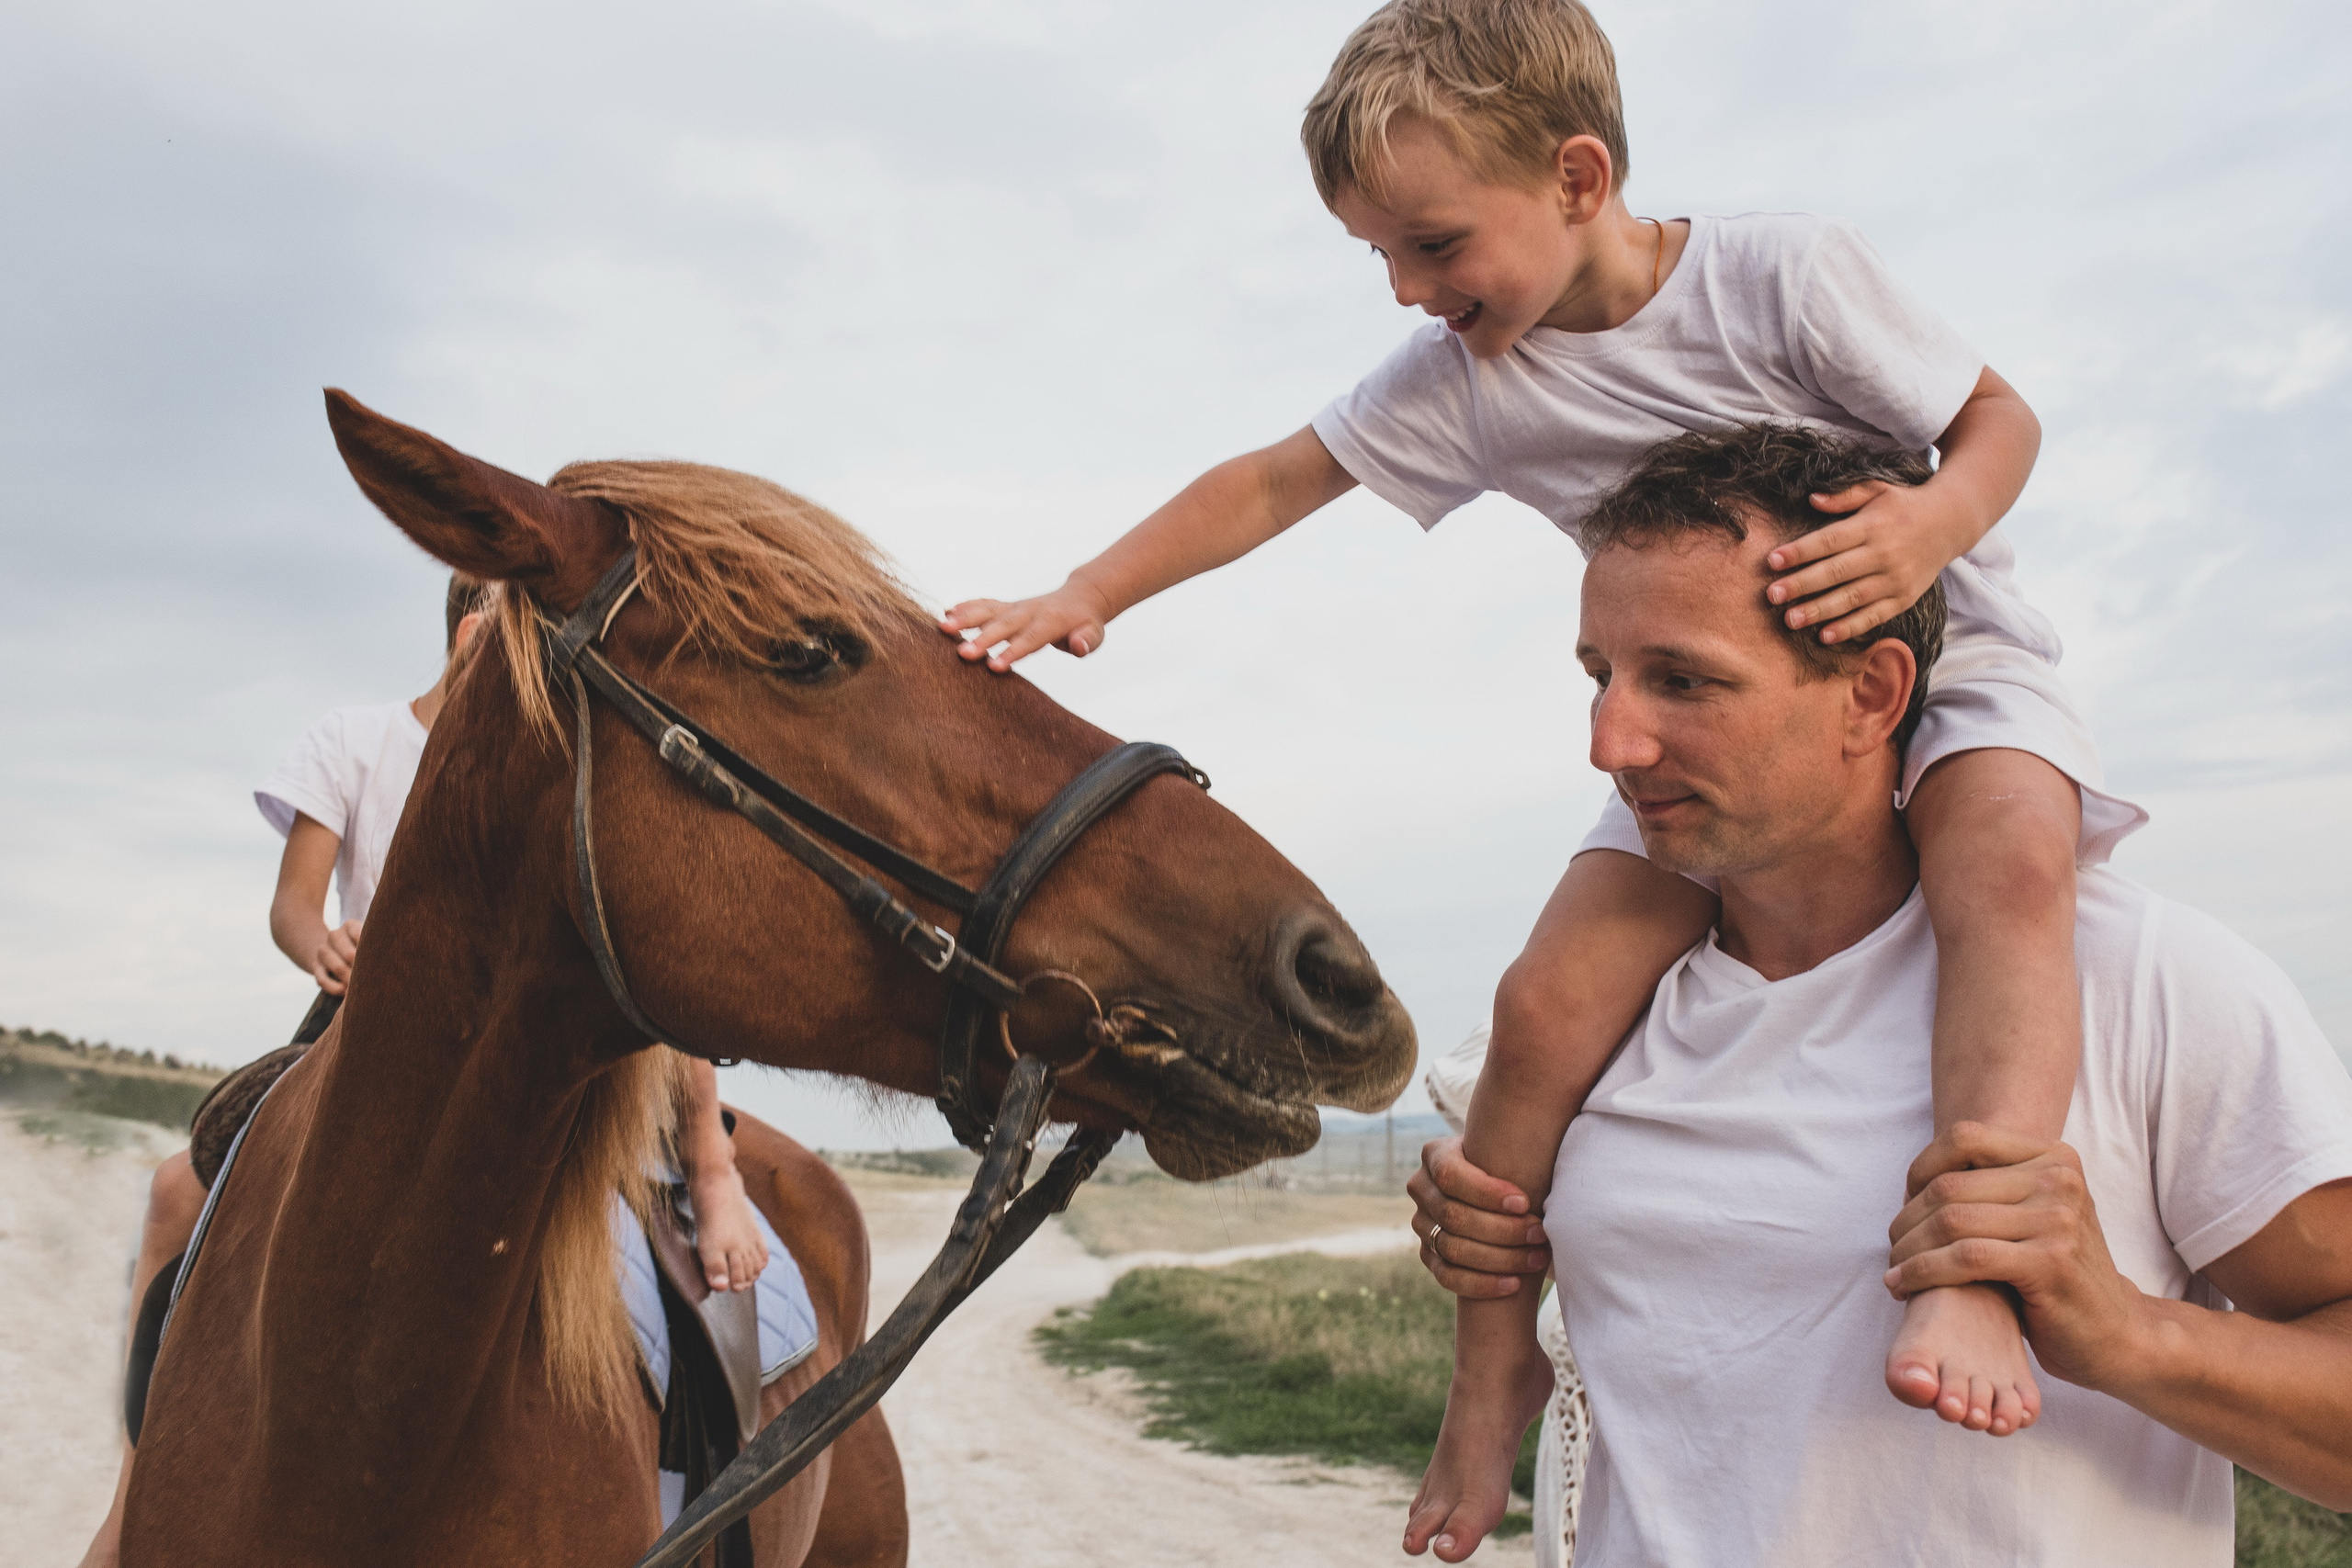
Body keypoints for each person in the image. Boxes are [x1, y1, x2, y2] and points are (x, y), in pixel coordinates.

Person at [939, 0, 2142, 1450]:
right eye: (1376, 254)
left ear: (1578, 178)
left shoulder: (1782, 279)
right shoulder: (1476, 382)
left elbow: (1997, 415)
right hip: (1698, 742)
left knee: (2009, 873)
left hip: (1952, 670)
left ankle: (1983, 1273)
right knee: (1544, 1006)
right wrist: (1088, 590)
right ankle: (1493, 1363)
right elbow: (1272, 480)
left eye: (1433, 244)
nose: (1403, 288)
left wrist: (1932, 523)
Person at [1402, 423, 2352, 1564]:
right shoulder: (1602, 1009)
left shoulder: (2143, 979)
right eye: (1600, 677)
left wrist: (2126, 1335)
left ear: (1871, 693)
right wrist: (1485, 1239)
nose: (1612, 742)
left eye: (1683, 681)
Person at [76, 575, 769, 1568]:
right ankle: (138, 1493)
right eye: (518, 623)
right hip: (362, 1039)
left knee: (652, 1253)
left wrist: (713, 1166)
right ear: (470, 624)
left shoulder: (574, 769)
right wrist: (321, 943)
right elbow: (294, 906)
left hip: (534, 1069)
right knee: (178, 1192)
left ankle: (706, 1502)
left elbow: (658, 975)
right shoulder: (354, 741)